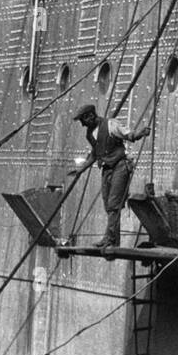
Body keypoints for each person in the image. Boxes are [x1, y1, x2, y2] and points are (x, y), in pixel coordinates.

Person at [72, 103, 149, 248]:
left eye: (83, 120)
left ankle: (109, 239)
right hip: (107, 169)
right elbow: (95, 154)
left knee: (114, 204)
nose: (82, 124)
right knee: (108, 204)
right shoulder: (89, 134)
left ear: (90, 116)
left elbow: (128, 135)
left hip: (120, 166)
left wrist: (140, 133)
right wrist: (80, 170)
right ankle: (114, 239)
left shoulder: (111, 124)